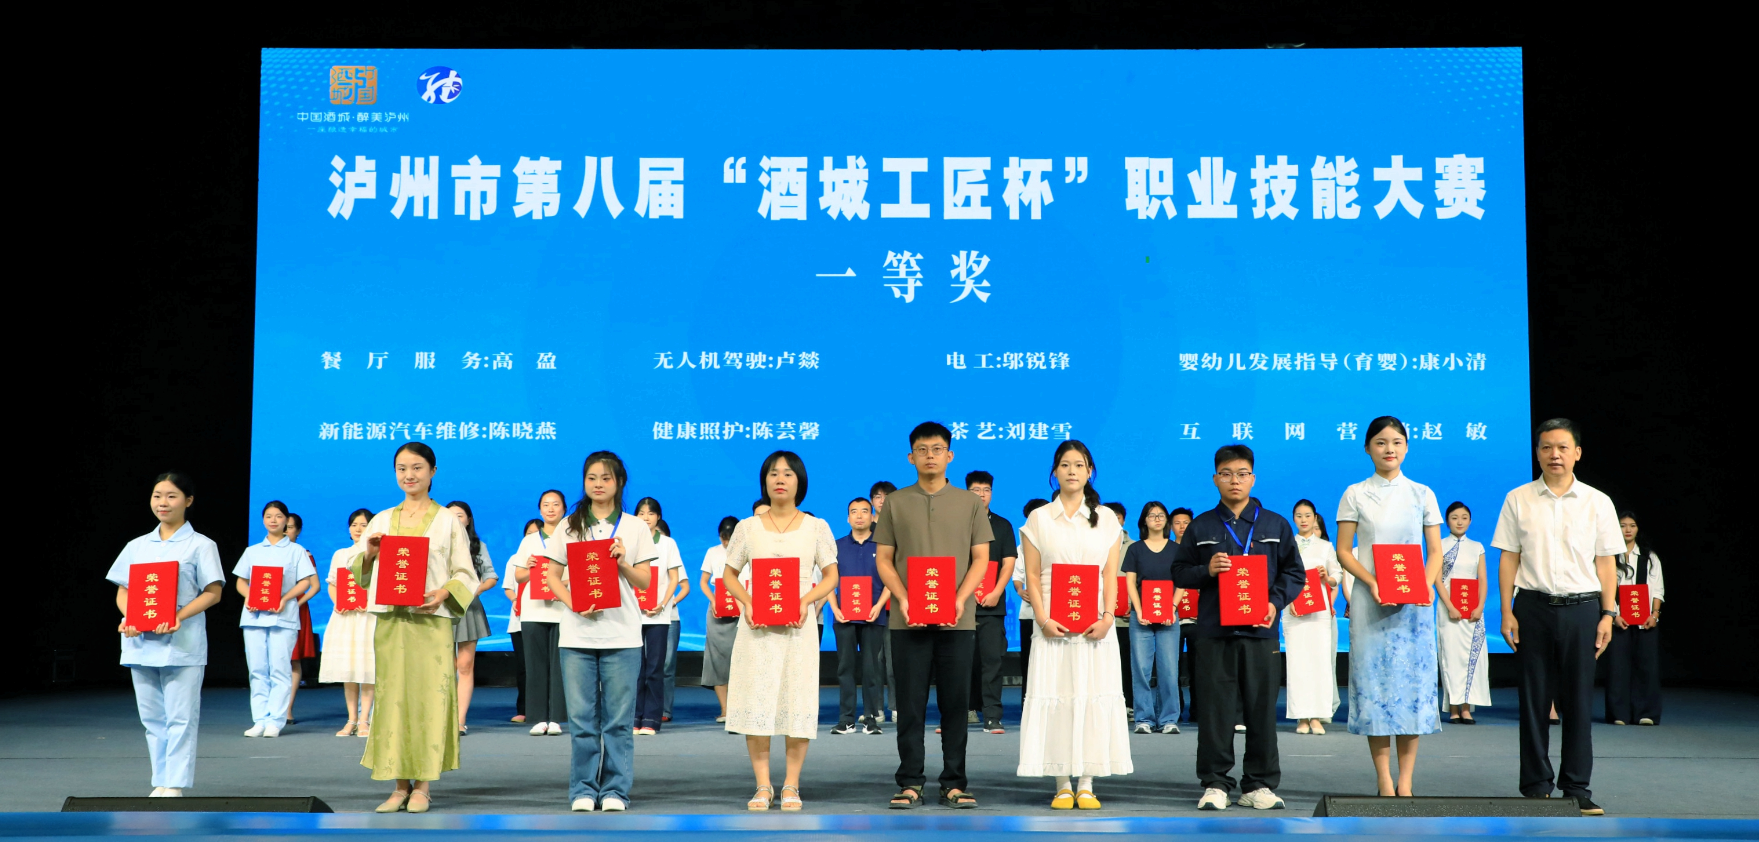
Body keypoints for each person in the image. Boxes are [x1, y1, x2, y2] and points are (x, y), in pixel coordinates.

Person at [1493, 418, 1621, 816]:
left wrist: (1608, 613)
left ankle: (1576, 787)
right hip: (1532, 607)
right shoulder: (1518, 498)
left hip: (1583, 610)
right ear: (1537, 453)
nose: (1555, 455)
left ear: (1577, 453)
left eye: (1563, 447)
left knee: (1579, 701)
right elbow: (1509, 558)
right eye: (1546, 447)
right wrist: (1506, 611)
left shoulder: (1597, 502)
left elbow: (1606, 563)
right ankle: (1536, 786)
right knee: (1533, 700)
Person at [1170, 444, 1304, 811]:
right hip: (1214, 633)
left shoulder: (1275, 524)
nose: (1235, 481)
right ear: (1215, 479)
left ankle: (1258, 784)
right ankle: (1216, 783)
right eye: (1227, 474)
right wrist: (1206, 570)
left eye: (1242, 474)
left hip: (1261, 632)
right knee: (1216, 711)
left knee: (1261, 710)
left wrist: (1274, 602)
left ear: (1253, 478)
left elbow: (1294, 573)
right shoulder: (1201, 526)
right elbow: (1179, 572)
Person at [347, 442, 480, 813]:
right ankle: (398, 785)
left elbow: (465, 573)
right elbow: (358, 572)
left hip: (430, 623)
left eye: (417, 467)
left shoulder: (447, 521)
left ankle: (422, 785)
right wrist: (370, 553)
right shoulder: (381, 520)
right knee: (393, 699)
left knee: (427, 699)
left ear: (433, 471)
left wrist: (443, 593)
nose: (409, 475)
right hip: (391, 622)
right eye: (402, 468)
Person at [873, 422, 993, 809]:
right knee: (909, 705)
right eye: (922, 450)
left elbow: (981, 558)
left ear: (949, 455)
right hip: (906, 618)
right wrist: (903, 598)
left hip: (957, 619)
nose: (930, 456)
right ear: (911, 457)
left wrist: (960, 599)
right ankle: (910, 781)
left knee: (955, 704)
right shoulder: (895, 502)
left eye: (937, 449)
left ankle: (954, 782)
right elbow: (884, 559)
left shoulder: (969, 503)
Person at [722, 451, 841, 811]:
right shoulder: (747, 528)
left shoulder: (816, 527)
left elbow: (831, 576)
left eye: (788, 473)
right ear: (765, 481)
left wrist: (806, 600)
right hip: (757, 628)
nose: (780, 479)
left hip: (797, 629)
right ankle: (763, 785)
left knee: (796, 702)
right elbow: (729, 575)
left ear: (799, 481)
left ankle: (791, 784)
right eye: (773, 473)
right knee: (757, 702)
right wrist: (748, 602)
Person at [1018, 441, 1133, 809]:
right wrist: (1042, 618)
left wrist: (1108, 617)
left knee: (1091, 696)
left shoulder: (1107, 519)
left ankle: (1087, 782)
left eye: (1079, 465)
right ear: (1055, 471)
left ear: (1089, 472)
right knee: (1058, 698)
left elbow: (1110, 575)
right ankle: (1062, 782)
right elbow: (1032, 576)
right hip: (1052, 624)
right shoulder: (1039, 518)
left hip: (1096, 626)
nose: (1072, 471)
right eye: (1065, 464)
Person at [1334, 417, 1446, 797]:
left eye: (1397, 442)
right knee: (1375, 687)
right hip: (1371, 602)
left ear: (1407, 447)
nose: (1389, 449)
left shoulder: (1422, 493)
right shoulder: (1355, 493)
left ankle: (1406, 781)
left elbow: (1434, 551)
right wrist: (1371, 582)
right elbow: (1344, 551)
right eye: (1381, 442)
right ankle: (1384, 779)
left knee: (1412, 687)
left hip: (1414, 608)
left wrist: (1424, 586)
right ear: (1367, 448)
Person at [540, 451, 657, 812]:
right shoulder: (569, 525)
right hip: (577, 636)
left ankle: (615, 790)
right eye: (591, 478)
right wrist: (573, 602)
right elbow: (551, 575)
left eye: (606, 478)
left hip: (623, 635)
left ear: (619, 482)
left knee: (618, 722)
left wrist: (623, 562)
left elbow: (645, 581)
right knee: (582, 721)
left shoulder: (635, 527)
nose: (598, 484)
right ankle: (584, 789)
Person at [107, 472, 225, 797]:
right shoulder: (137, 546)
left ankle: (175, 783)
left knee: (181, 716)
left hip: (181, 641)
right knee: (151, 717)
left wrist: (178, 616)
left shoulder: (201, 545)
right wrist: (130, 616)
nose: (163, 502)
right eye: (157, 495)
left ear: (188, 501)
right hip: (140, 640)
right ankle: (159, 780)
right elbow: (123, 590)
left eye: (172, 496)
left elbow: (213, 592)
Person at [233, 500, 317, 738]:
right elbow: (241, 581)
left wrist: (285, 598)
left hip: (283, 616)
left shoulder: (296, 551)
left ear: (286, 521)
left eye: (278, 516)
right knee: (257, 669)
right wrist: (249, 596)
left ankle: (275, 721)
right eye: (269, 516)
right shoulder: (252, 551)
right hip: (254, 616)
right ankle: (259, 720)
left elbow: (305, 582)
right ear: (263, 520)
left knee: (280, 669)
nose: (273, 520)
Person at [512, 490, 570, 736]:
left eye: (556, 504)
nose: (551, 509)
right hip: (533, 610)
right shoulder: (530, 541)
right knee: (535, 665)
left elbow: (579, 572)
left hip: (562, 609)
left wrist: (560, 585)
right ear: (540, 510)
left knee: (559, 666)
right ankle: (537, 718)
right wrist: (529, 568)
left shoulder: (571, 537)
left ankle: (556, 718)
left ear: (564, 509)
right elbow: (518, 576)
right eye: (546, 505)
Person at [1123, 500, 1183, 734]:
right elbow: (1130, 582)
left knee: (1169, 668)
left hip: (1169, 617)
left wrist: (1172, 607)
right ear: (1144, 521)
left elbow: (1182, 582)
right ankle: (1144, 718)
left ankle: (1169, 719)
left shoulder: (1176, 550)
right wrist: (1138, 610)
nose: (1157, 519)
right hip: (1141, 618)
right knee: (1141, 669)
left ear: (1166, 521)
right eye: (1152, 515)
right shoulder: (1135, 549)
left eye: (1161, 515)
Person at [965, 471, 1017, 735]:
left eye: (986, 490)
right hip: (961, 606)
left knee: (992, 662)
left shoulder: (1002, 525)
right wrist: (963, 593)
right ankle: (962, 712)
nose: (981, 494)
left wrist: (997, 591)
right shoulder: (957, 523)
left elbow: (1008, 562)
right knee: (960, 663)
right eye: (975, 490)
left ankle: (992, 716)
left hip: (992, 606)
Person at [831, 497, 888, 735]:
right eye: (854, 511)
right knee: (845, 668)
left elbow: (891, 581)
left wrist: (880, 606)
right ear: (848, 518)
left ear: (872, 516)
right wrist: (835, 608)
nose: (859, 516)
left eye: (864, 511)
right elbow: (829, 581)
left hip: (874, 616)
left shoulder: (882, 546)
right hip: (844, 617)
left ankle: (871, 719)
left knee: (871, 669)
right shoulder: (836, 546)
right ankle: (846, 719)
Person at [321, 508, 378, 738]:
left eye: (363, 525)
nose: (357, 529)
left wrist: (370, 603)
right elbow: (333, 584)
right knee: (349, 669)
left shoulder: (379, 555)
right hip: (345, 617)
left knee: (368, 669)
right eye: (354, 524)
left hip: (369, 617)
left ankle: (365, 720)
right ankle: (351, 719)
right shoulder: (341, 554)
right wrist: (338, 603)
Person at [1285, 500, 1340, 734]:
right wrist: (1289, 601)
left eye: (1308, 515)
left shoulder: (1325, 546)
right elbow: (1281, 577)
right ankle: (1301, 717)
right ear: (1294, 519)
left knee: (1319, 662)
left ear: (1315, 517)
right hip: (1294, 610)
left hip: (1319, 611)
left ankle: (1317, 716)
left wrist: (1327, 577)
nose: (1304, 519)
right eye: (1299, 515)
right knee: (1298, 662)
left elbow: (1337, 574)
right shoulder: (1287, 545)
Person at [633, 497, 686, 735]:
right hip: (633, 615)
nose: (646, 518)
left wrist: (663, 603)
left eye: (651, 513)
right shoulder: (629, 541)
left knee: (655, 668)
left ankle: (651, 719)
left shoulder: (667, 543)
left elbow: (674, 578)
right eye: (641, 513)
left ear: (658, 517)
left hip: (659, 615)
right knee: (636, 669)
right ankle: (634, 717)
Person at [445, 501, 498, 735]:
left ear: (468, 520)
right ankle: (443, 718)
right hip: (441, 609)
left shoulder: (478, 546)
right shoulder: (435, 544)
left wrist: (475, 590)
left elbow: (491, 576)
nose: (455, 519)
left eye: (460, 515)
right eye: (450, 515)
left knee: (465, 666)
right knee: (445, 667)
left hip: (468, 609)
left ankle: (459, 720)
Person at [1606, 511, 1663, 726]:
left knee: (1647, 666)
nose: (1628, 530)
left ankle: (1646, 712)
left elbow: (1657, 589)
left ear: (1638, 529)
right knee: (1617, 667)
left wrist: (1655, 614)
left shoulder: (1650, 557)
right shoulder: (1609, 557)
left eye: (1632, 525)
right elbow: (1605, 588)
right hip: (1618, 619)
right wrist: (1614, 614)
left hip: (1645, 620)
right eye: (1622, 525)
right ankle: (1618, 713)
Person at [1438, 502, 1491, 723]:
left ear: (1470, 520)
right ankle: (1453, 707)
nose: (1459, 522)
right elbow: (1437, 580)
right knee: (1451, 658)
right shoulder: (1439, 545)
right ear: (1447, 521)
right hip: (1448, 610)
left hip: (1473, 612)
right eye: (1454, 517)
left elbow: (1482, 580)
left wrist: (1480, 607)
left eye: (1464, 517)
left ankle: (1467, 708)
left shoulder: (1477, 547)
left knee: (1472, 658)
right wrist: (1450, 606)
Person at [699, 515, 742, 722]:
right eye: (723, 538)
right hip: (718, 611)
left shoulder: (746, 551)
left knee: (740, 659)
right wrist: (714, 600)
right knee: (718, 660)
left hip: (742, 610)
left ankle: (739, 708)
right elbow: (704, 582)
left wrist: (742, 605)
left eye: (730, 538)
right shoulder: (712, 552)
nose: (726, 543)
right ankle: (725, 709)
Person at [1013, 498, 1051, 701]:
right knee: (1028, 660)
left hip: (1054, 612)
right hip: (1029, 613)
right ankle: (1027, 704)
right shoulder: (1022, 547)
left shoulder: (1057, 542)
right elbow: (1017, 575)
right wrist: (1020, 590)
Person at [506, 517, 543, 724]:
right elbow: (509, 586)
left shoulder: (551, 557)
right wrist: (515, 600)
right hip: (519, 619)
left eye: (536, 533)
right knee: (523, 667)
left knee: (543, 666)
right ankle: (523, 708)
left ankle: (546, 708)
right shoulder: (515, 559)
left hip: (543, 616)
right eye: (529, 534)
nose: (532, 537)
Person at [284, 513, 319, 725]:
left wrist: (296, 604)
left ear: (298, 531)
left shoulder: (304, 554)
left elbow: (315, 586)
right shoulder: (267, 553)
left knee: (293, 659)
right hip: (271, 608)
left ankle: (287, 709)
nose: (285, 531)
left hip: (295, 609)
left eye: (290, 527)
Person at [870, 480, 899, 722]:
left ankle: (897, 707)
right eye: (878, 496)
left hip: (895, 605)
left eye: (887, 496)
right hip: (869, 606)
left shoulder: (901, 528)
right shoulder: (864, 531)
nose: (882, 500)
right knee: (875, 661)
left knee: (894, 660)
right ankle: (876, 708)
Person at [1103, 502, 1135, 719]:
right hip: (1098, 617)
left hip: (1125, 617)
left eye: (1118, 517)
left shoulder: (1134, 547)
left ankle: (1129, 704)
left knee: (1125, 661)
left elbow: (1139, 580)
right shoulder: (1093, 542)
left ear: (1123, 519)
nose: (1114, 521)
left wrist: (1134, 604)